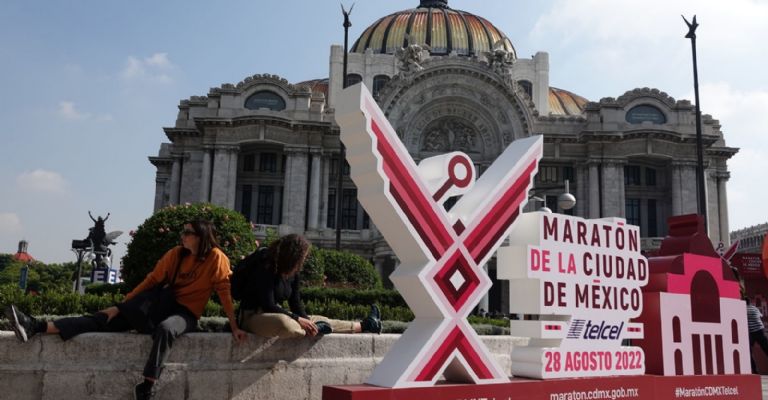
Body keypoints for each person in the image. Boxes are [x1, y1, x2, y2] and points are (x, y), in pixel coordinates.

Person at [4, 219, 247, 400]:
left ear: (201, 236)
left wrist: (234, 326)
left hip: (184, 315)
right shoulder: (175, 255)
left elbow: (224, 293)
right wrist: (122, 306)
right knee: (102, 319)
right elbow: (151, 281)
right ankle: (36, 326)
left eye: (187, 232)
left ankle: (147, 386)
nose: (182, 236)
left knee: (165, 329)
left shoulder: (217, 258)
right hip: (159, 306)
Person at [238, 234, 381, 338]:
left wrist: (304, 319)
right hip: (254, 317)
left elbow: (295, 303)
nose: (304, 260)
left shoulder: (294, 272)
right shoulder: (267, 265)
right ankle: (314, 329)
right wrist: (299, 320)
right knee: (285, 323)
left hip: (280, 314)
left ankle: (366, 325)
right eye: (302, 257)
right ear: (293, 255)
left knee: (317, 320)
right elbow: (268, 304)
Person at [746, 298, 768, 373]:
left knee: (748, 352)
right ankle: (754, 370)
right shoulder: (754, 308)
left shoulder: (744, 309)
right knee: (766, 348)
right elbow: (760, 316)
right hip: (760, 330)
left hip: (752, 332)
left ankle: (755, 371)